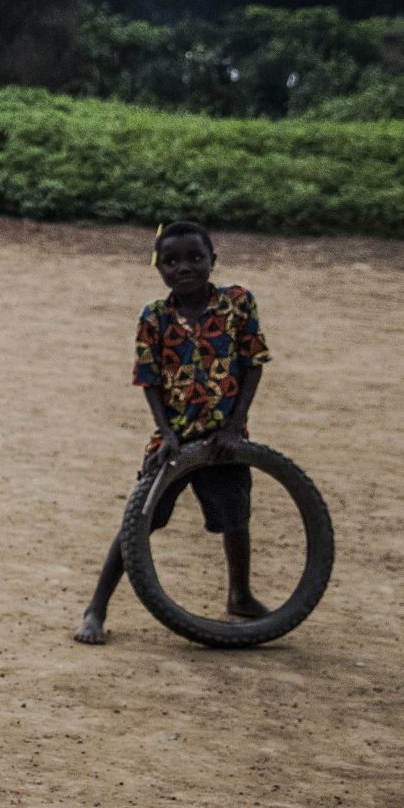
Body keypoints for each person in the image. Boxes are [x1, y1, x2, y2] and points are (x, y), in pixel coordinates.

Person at [75, 221, 270, 644]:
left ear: (213, 260)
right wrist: (166, 434)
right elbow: (148, 380)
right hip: (175, 439)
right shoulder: (155, 317)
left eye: (196, 258)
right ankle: (96, 607)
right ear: (159, 267)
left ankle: (240, 594)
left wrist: (236, 426)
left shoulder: (238, 304)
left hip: (223, 438)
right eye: (172, 261)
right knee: (139, 520)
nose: (185, 268)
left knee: (235, 516)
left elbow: (254, 363)